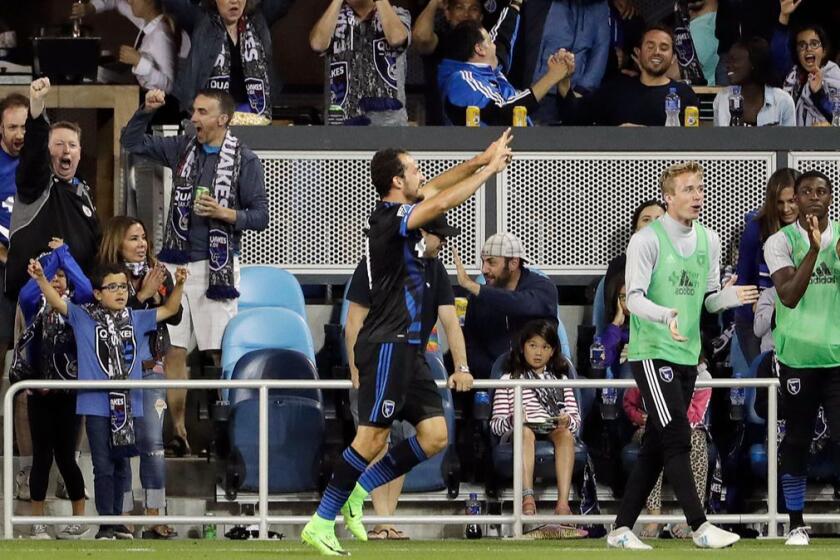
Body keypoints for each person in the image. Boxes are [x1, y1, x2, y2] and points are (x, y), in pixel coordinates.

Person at [300, 129, 513, 556]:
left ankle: (360, 491)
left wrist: (478, 159)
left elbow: (436, 189)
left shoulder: (406, 212)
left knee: (434, 436)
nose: (422, 175)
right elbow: (440, 200)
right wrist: (489, 172)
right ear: (396, 181)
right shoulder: (387, 221)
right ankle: (321, 521)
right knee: (371, 439)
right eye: (414, 169)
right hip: (385, 344)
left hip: (410, 351)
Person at [607, 161, 758, 550]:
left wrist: (729, 297)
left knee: (658, 444)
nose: (697, 196)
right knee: (677, 434)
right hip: (652, 351)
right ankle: (700, 526)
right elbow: (635, 299)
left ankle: (621, 529)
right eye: (688, 189)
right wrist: (666, 314)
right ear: (668, 197)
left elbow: (708, 302)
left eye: (700, 189)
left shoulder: (709, 239)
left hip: (688, 354)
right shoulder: (646, 241)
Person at [121, 88, 268, 456]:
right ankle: (179, 433)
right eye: (194, 110)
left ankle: (226, 436)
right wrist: (146, 110)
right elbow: (131, 141)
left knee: (220, 354)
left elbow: (261, 215)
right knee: (173, 351)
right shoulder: (182, 147)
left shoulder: (246, 161)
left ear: (223, 119)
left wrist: (226, 214)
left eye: (202, 112)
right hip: (174, 264)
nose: (194, 118)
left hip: (215, 269)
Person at [27, 259, 186, 541]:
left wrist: (181, 284)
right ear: (98, 293)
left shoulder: (137, 317)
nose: (120, 292)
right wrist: (41, 278)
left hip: (131, 404)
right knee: (103, 466)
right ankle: (106, 525)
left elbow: (171, 309)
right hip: (96, 406)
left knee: (122, 465)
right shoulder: (83, 316)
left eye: (123, 286)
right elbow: (57, 302)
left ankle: (118, 522)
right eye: (112, 287)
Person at [345, 212, 473, 540]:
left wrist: (462, 367)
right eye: (439, 235)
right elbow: (354, 322)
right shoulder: (376, 264)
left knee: (425, 436)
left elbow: (449, 322)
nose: (444, 242)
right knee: (376, 440)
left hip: (413, 362)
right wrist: (357, 369)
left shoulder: (436, 270)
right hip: (378, 361)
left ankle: (377, 509)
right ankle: (380, 520)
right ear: (420, 234)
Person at [763, 170, 840, 546]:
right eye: (805, 191)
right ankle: (795, 523)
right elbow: (789, 295)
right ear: (796, 198)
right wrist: (813, 249)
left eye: (820, 192)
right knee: (796, 439)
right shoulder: (780, 242)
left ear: (830, 198)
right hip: (797, 356)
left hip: (837, 356)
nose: (812, 197)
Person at [98, 216, 182, 539]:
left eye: (144, 237)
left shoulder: (156, 272)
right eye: (134, 238)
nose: (142, 244)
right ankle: (124, 515)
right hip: (116, 371)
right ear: (117, 242)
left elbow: (176, 317)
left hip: (151, 367)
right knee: (120, 444)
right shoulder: (106, 277)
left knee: (152, 442)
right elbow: (113, 319)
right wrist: (141, 296)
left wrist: (163, 293)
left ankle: (154, 513)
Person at [13, 240, 93, 540]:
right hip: (40, 392)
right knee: (42, 458)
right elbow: (26, 293)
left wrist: (64, 254)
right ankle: (37, 522)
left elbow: (85, 286)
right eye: (53, 274)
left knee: (66, 457)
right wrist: (46, 270)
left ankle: (78, 518)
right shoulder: (34, 305)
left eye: (62, 275)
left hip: (69, 392)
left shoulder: (78, 305)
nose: (58, 279)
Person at [6, 78, 101, 300]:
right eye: (58, 144)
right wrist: (37, 112)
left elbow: (96, 244)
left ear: (80, 152)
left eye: (72, 145)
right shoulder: (37, 185)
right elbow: (33, 157)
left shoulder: (83, 191)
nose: (66, 150)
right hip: (34, 298)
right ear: (48, 151)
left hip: (77, 300)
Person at [490, 319, 587, 537]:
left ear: (552, 351)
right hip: (520, 430)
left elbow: (576, 421)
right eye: (533, 345)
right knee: (524, 431)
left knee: (565, 435)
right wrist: (513, 420)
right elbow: (495, 425)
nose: (538, 352)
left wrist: (566, 420)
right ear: (523, 346)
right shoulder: (509, 379)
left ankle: (563, 507)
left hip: (552, 427)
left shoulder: (561, 379)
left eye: (545, 347)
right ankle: (527, 499)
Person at [162, 0, 295, 120]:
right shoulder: (201, 20)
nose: (234, 1)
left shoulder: (259, 18)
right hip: (211, 117)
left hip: (254, 115)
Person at [624, 361, 713, 539]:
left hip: (689, 427)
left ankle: (622, 526)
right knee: (668, 441)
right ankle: (689, 521)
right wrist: (640, 417)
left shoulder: (701, 375)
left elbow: (696, 413)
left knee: (691, 439)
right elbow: (629, 403)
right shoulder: (656, 367)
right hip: (651, 423)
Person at [453, 232, 558, 381]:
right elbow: (472, 346)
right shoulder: (479, 299)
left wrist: (473, 286)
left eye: (491, 262)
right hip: (492, 380)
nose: (484, 269)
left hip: (540, 377)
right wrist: (496, 374)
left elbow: (519, 304)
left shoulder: (544, 288)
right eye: (483, 262)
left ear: (513, 263)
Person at [556, 24, 701, 126]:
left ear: (674, 58)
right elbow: (574, 116)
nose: (657, 51)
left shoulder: (684, 95)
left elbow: (692, 143)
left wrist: (644, 134)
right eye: (650, 46)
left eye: (664, 48)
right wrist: (564, 80)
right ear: (638, 53)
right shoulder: (616, 89)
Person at [438, 18, 573, 126]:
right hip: (485, 158)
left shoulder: (495, 75)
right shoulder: (461, 80)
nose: (494, 46)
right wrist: (551, 77)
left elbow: (503, 38)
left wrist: (560, 73)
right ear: (480, 49)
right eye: (490, 42)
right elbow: (503, 114)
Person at [0, 92, 32, 500]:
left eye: (26, 126)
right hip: (2, 273)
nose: (20, 134)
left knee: (29, 370)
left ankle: (28, 469)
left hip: (36, 279)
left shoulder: (40, 164)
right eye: (12, 126)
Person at [733, 168, 799, 364]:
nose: (786, 209)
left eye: (791, 201)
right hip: (756, 318)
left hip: (797, 318)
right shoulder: (756, 228)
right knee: (763, 382)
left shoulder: (811, 228)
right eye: (780, 202)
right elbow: (743, 277)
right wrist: (752, 306)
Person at [310, 0, 411, 126]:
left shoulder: (397, 14)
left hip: (389, 126)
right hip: (341, 126)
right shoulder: (332, 18)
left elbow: (396, 38)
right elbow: (317, 44)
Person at [516, 0, 611, 123]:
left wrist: (581, 90)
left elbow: (600, 51)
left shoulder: (600, 6)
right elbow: (525, 44)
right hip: (541, 90)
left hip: (576, 94)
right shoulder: (541, 4)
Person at [73, 0, 184, 95]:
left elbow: (169, 87)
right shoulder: (146, 23)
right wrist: (91, 7)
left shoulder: (160, 34)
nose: (129, 1)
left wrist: (138, 62)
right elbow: (118, 2)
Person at [412, 0, 487, 125]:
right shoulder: (441, 42)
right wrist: (433, 3)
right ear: (447, 13)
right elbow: (421, 37)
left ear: (481, 17)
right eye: (459, 8)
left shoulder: (489, 48)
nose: (466, 14)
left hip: (483, 127)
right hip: (442, 129)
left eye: (473, 9)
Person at [771, 1, 840, 126]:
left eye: (814, 44)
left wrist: (818, 93)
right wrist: (784, 17)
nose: (808, 49)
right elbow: (777, 55)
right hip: (793, 141)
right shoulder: (793, 74)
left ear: (824, 51)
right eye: (802, 45)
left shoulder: (834, 75)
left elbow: (837, 117)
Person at [713, 37, 796, 126]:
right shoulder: (722, 99)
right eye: (728, 60)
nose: (728, 65)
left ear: (754, 62)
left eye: (735, 60)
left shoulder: (783, 101)